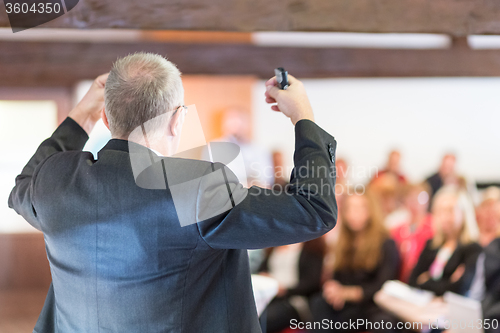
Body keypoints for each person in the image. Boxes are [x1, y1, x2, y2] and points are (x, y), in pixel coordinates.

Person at [8, 53, 338, 333]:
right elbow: (314, 210)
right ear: (177, 121)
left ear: (107, 119)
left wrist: (83, 113)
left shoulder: (55, 179)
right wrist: (302, 116)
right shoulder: (195, 188)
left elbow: (22, 185)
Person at [310, 192, 399, 333]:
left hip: (371, 305)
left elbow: (383, 285)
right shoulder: (343, 242)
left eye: (360, 208)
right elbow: (337, 277)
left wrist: (347, 293)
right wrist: (333, 289)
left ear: (371, 210)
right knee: (319, 302)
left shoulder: (386, 243)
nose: (353, 213)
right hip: (346, 305)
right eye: (350, 208)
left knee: (383, 322)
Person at [409, 186, 481, 296]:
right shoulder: (432, 244)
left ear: (464, 212)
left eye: (450, 210)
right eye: (440, 211)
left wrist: (426, 281)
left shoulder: (472, 248)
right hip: (422, 305)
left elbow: (460, 288)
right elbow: (413, 280)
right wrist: (448, 282)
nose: (444, 216)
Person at [258, 238, 326, 333]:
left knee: (263, 319)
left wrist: (285, 290)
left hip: (295, 300)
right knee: (249, 315)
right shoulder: (275, 243)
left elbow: (312, 282)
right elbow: (262, 269)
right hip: (270, 297)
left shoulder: (311, 247)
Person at [391, 183, 434, 283]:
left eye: (419, 198)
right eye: (410, 199)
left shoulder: (434, 226)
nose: (414, 203)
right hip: (400, 281)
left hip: (422, 281)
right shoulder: (397, 230)